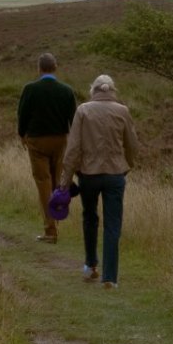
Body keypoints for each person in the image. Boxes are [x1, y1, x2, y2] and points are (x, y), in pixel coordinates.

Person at [59, 74, 139, 288]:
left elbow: (73, 148)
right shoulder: (123, 111)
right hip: (115, 174)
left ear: (93, 90)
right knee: (113, 225)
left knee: (90, 218)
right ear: (112, 90)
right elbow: (132, 144)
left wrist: (65, 179)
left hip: (88, 175)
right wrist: (128, 165)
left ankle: (90, 264)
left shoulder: (83, 110)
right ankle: (110, 277)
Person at [17, 53, 78, 244]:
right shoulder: (67, 91)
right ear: (56, 67)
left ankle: (50, 230)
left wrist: (22, 135)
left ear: (39, 68)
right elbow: (73, 119)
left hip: (36, 142)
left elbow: (22, 114)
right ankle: (56, 223)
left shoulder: (30, 89)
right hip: (60, 141)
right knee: (56, 181)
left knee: (43, 182)